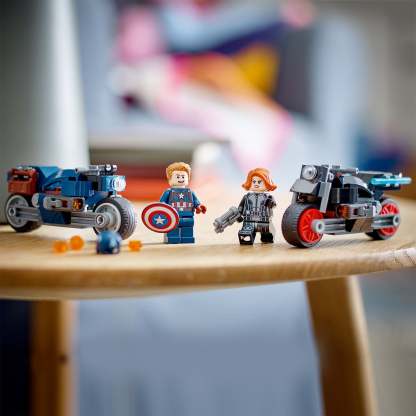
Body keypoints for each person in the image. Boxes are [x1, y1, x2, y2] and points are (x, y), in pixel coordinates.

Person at [160, 162, 206, 244]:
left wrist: (199, 206)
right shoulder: (168, 192)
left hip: (188, 215)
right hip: (172, 216)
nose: (181, 179)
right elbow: (162, 203)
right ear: (170, 178)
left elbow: (195, 201)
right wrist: (163, 209)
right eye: (177, 177)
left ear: (188, 178)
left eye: (183, 176)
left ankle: (187, 237)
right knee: (173, 228)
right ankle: (172, 238)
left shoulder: (190, 192)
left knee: (188, 227)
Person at [238, 168, 277, 245]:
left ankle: (266, 238)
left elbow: (273, 205)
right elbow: (241, 207)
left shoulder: (268, 197)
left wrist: (271, 203)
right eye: (254, 181)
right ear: (249, 182)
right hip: (249, 220)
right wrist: (238, 214)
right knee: (246, 235)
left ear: (267, 183)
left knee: (267, 236)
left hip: (264, 220)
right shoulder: (247, 197)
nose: (256, 184)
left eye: (259, 182)